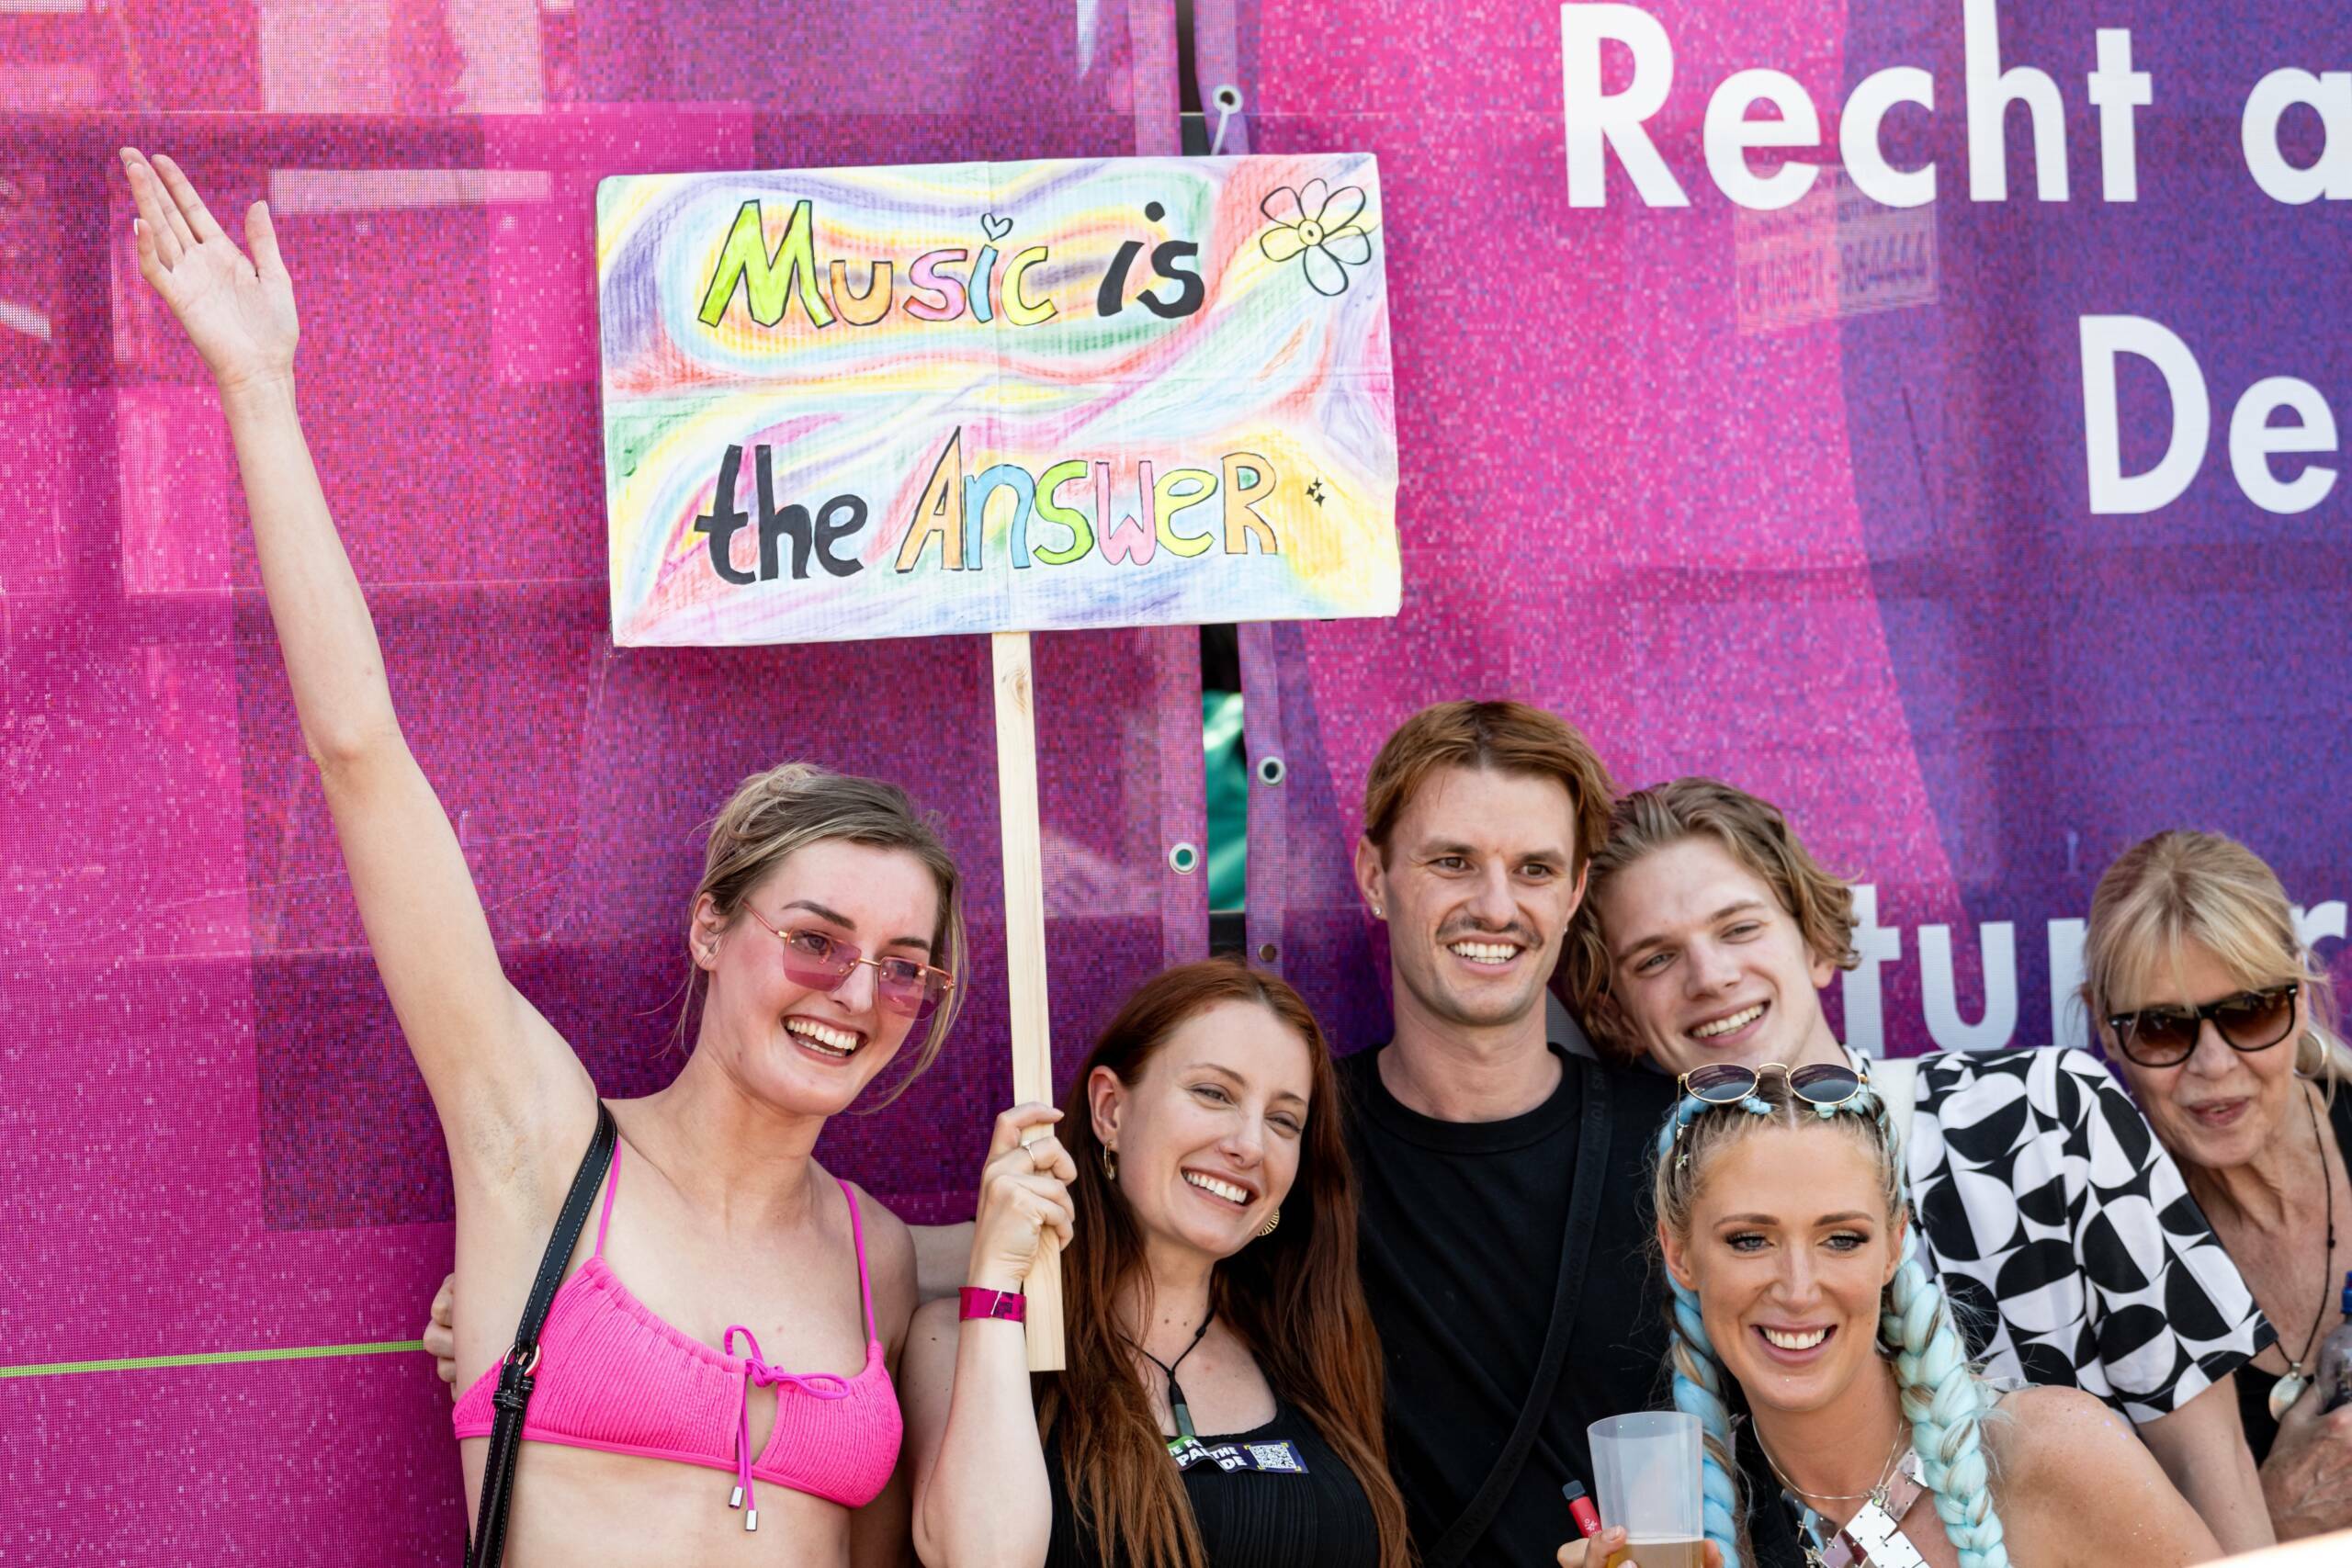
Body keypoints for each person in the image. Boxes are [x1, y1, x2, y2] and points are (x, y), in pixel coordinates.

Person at [121, 148, 951, 1565]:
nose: (854, 988)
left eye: (904, 965)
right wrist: (259, 394)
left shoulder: (881, 1257)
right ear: (709, 928)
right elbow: (362, 756)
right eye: (816, 935)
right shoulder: (540, 1139)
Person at [1556, 778, 2276, 1554]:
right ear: (1619, 1011)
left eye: (1738, 927)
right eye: (1656, 957)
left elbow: (2212, 1465)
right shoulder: (1670, 1230)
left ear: (1817, 942)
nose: (1709, 976)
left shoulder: (2042, 1113)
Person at [1338, 704, 1804, 1566]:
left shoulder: (1684, 1143)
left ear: (1575, 892)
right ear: (1374, 875)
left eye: (1534, 868)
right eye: (1451, 862)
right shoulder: (1298, 1149)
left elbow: (1798, 1461)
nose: (1495, 905)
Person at [1557, 1066, 2221, 1568]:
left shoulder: (2053, 1452)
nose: (1797, 1287)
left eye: (1841, 1237)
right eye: (1749, 1239)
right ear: (1680, 1253)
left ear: (1894, 1244)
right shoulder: (1680, 1518)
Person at [900, 958, 1411, 1567]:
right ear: (1111, 1110)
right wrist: (996, 1279)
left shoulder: (1309, 1338)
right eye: (1213, 1092)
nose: (1249, 1144)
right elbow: (981, 1558)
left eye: (1283, 1119)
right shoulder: (960, 1342)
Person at [2082, 829, 2352, 1541]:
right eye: (2163, 1027)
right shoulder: (2102, 1250)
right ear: (2107, 1032)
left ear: (2297, 994)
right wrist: (2276, 1519)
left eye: (2249, 1011)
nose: (2213, 1062)